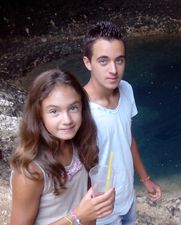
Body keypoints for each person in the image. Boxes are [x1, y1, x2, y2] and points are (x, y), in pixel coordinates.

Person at [9, 68, 115, 225]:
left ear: (82, 108)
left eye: (73, 108)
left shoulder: (80, 146)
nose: (67, 120)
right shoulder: (31, 170)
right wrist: (77, 216)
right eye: (54, 111)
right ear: (38, 114)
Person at [82, 21, 162, 225]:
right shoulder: (78, 109)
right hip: (101, 212)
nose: (113, 70)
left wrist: (145, 179)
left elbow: (127, 136)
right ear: (87, 62)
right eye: (103, 61)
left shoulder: (126, 89)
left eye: (119, 60)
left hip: (127, 198)